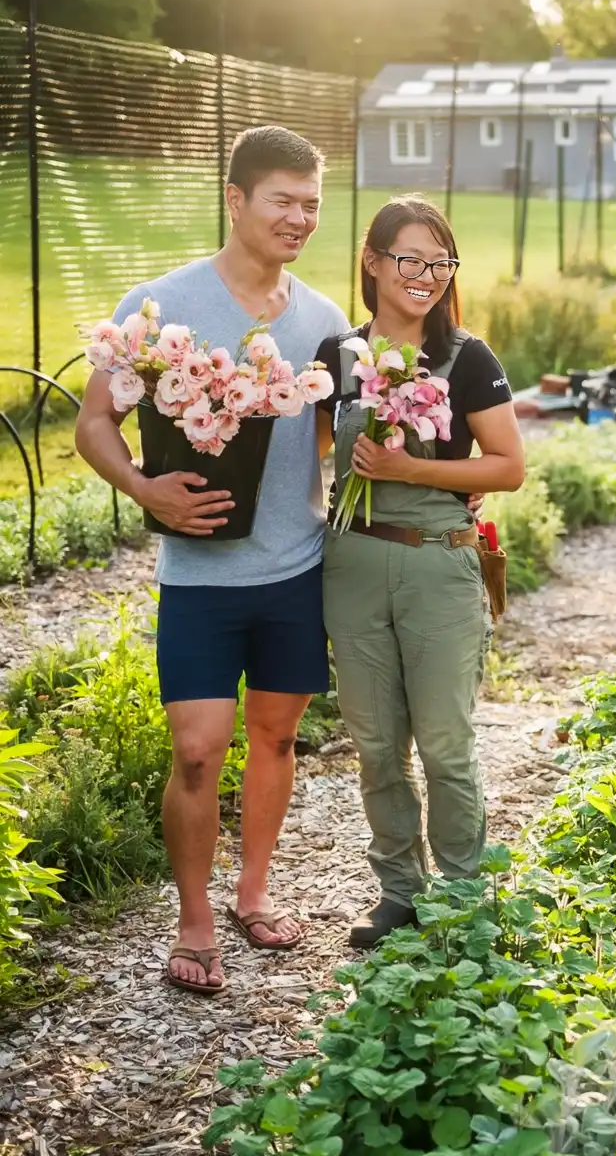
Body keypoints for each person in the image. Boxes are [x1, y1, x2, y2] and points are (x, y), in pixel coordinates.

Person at [76, 126, 350, 994]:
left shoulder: (323, 320)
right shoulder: (159, 306)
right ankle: (194, 920)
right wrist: (143, 490)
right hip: (198, 578)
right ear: (235, 200)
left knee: (275, 736)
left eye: (312, 204)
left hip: (294, 569)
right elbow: (93, 425)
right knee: (197, 750)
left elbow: (338, 441)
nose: (300, 218)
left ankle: (252, 893)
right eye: (283, 201)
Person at [315, 195, 523, 949]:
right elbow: (309, 462)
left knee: (444, 745)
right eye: (410, 258)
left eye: (440, 262)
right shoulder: (337, 354)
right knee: (376, 746)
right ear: (372, 262)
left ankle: (464, 897)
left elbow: (508, 467)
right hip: (353, 565)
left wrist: (411, 468)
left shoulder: (468, 358)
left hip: (437, 565)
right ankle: (400, 892)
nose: (426, 275)